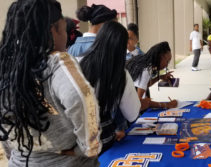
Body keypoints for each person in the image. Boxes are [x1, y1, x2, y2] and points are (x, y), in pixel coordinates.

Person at [0, 1, 101, 167]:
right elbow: (78, 97)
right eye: (64, 30)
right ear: (52, 31)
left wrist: (14, 152)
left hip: (21, 161)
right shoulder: (57, 62)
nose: (66, 37)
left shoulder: (5, 67)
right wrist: (88, 147)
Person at [80, 21, 141, 152]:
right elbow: (132, 114)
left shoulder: (78, 64)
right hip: (103, 141)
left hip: (78, 143)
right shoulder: (120, 74)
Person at [126, 41, 178, 109]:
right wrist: (166, 105)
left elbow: (143, 85)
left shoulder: (145, 62)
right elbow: (139, 103)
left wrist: (160, 77)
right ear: (160, 57)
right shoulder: (146, 69)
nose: (166, 65)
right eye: (167, 61)